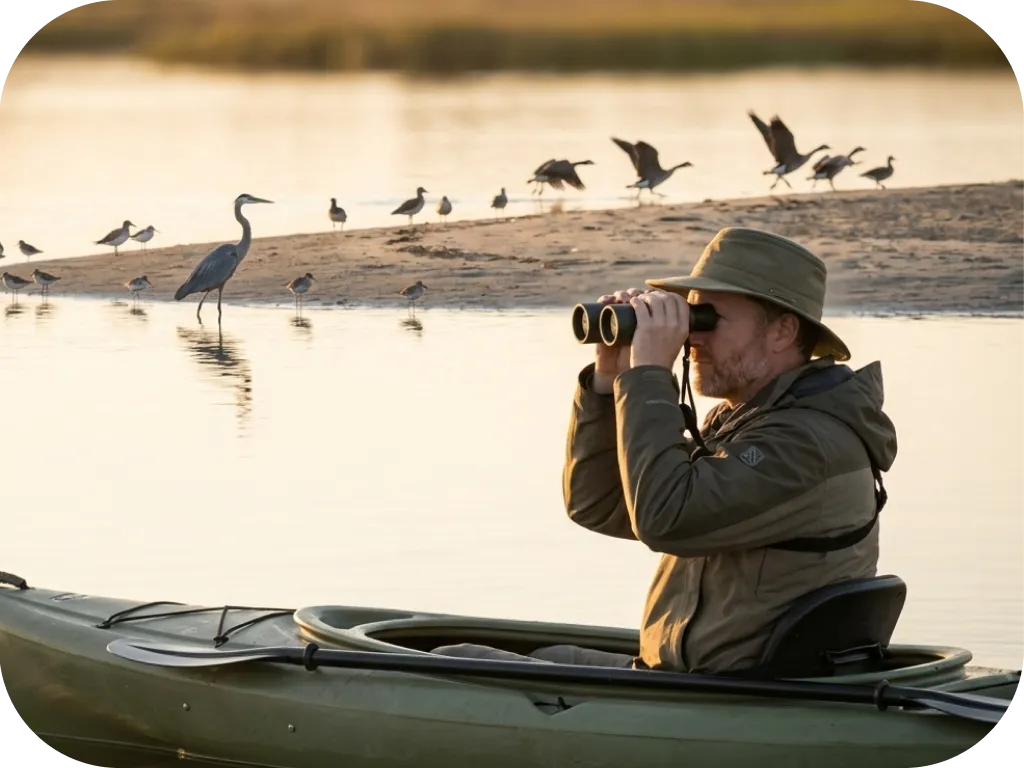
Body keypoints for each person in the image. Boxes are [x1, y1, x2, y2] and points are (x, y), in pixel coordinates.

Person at [433, 226, 898, 674]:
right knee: (492, 654)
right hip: (680, 675)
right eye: (691, 313)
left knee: (455, 665)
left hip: (734, 697)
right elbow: (601, 507)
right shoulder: (751, 419)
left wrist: (649, 377)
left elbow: (664, 519)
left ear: (781, 332)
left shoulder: (807, 444)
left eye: (708, 318)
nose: (692, 337)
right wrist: (609, 379)